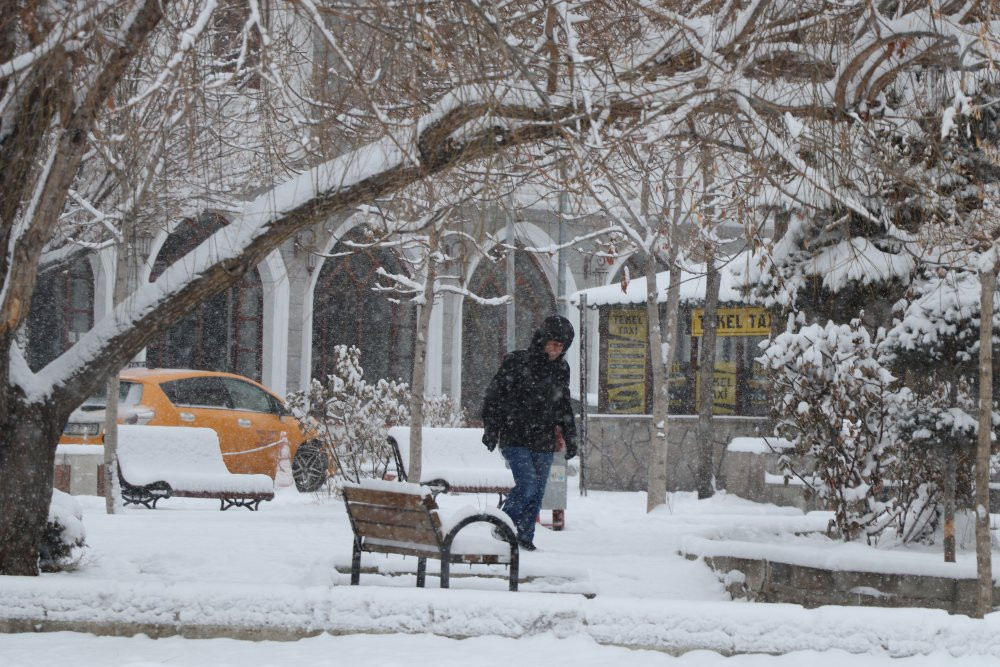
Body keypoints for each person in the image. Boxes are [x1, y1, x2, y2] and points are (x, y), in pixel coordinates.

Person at [481, 315, 577, 551]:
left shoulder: (561, 369)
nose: (558, 349)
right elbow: (495, 396)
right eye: (554, 343)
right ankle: (502, 526)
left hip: (543, 440)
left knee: (537, 493)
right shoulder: (516, 362)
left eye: (562, 346)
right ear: (543, 340)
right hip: (515, 437)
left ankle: (524, 539)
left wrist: (570, 436)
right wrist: (492, 428)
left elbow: (563, 405)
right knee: (527, 484)